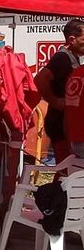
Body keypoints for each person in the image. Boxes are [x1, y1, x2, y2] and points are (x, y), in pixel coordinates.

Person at [35, 19, 84, 165]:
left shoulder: (74, 58)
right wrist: (55, 101)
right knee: (66, 167)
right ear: (72, 39)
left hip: (69, 123)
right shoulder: (62, 58)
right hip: (59, 123)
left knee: (70, 167)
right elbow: (40, 79)